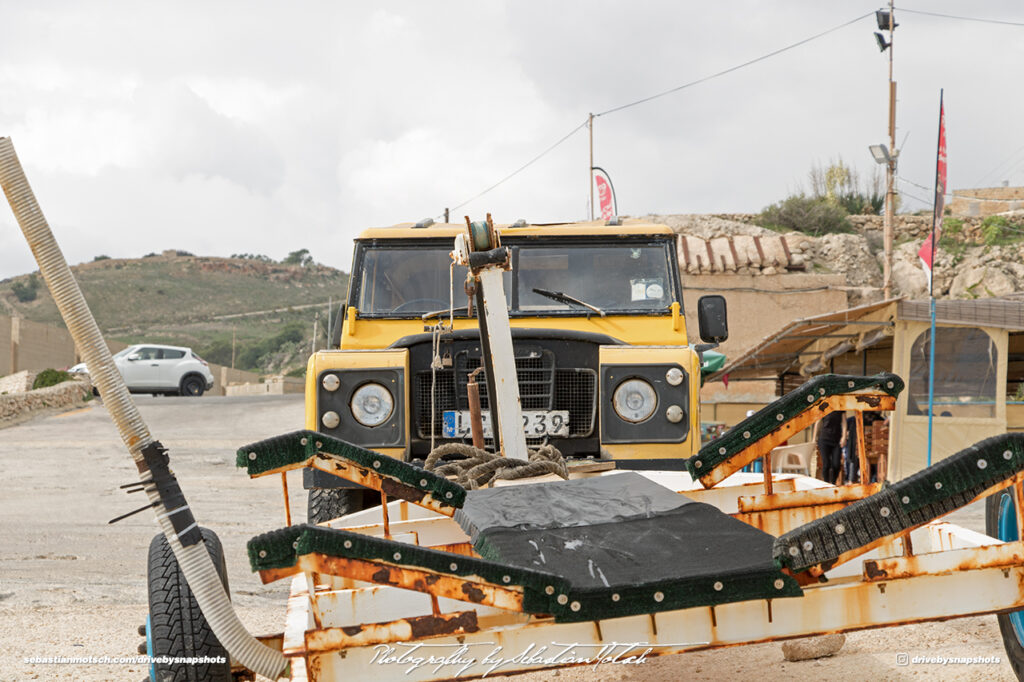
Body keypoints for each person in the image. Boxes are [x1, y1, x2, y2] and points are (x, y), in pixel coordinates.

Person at [814, 411, 846, 485]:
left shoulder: (840, 409)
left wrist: (844, 437)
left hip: (836, 440)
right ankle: (826, 483)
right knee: (826, 464)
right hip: (824, 440)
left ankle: (833, 482)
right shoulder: (825, 407)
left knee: (836, 464)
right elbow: (817, 423)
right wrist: (814, 438)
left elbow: (844, 423)